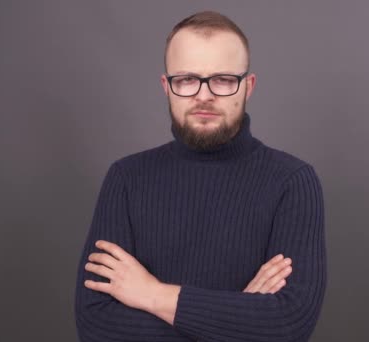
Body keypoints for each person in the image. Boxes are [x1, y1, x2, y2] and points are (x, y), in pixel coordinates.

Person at [75, 11, 326, 342]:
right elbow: (96, 325)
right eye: (187, 79)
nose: (203, 95)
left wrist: (153, 295)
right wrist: (236, 322)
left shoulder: (292, 181)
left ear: (247, 87)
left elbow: (288, 326)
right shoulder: (126, 179)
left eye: (222, 79)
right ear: (167, 87)